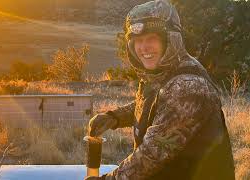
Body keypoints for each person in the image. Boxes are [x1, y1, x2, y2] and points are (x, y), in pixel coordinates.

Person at [86, 0, 235, 179]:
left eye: (152, 38)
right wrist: (115, 117)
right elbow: (157, 103)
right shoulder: (166, 71)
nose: (144, 47)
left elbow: (151, 155)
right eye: (138, 40)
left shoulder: (189, 87)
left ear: (170, 39)